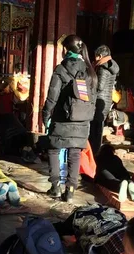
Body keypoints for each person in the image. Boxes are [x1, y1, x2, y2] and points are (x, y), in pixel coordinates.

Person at [42, 35, 98, 203]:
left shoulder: (61, 69)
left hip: (62, 119)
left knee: (53, 149)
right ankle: (71, 191)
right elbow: (93, 98)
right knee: (74, 153)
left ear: (66, 50)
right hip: (82, 120)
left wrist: (45, 115)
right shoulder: (90, 71)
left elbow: (52, 96)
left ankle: (55, 188)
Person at [89, 45, 119, 155]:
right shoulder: (111, 65)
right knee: (98, 129)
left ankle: (93, 154)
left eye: (96, 56)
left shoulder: (103, 67)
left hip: (99, 101)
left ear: (100, 56)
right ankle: (95, 153)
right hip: (105, 101)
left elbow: (100, 86)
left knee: (94, 131)